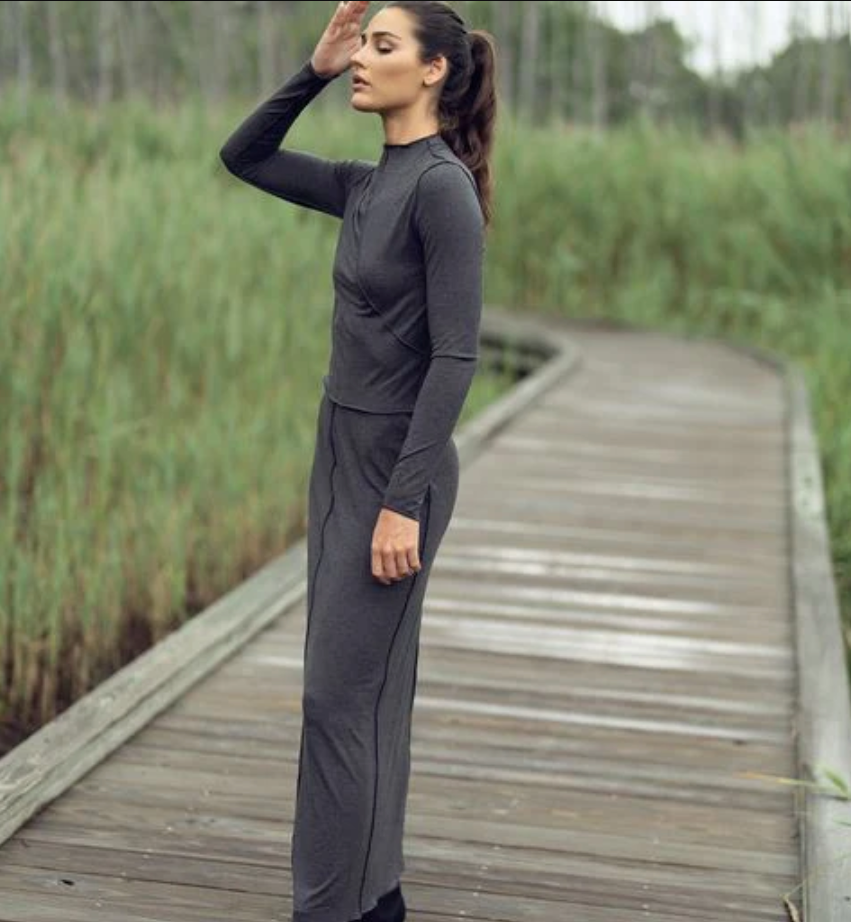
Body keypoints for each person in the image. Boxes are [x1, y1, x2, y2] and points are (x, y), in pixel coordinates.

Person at [219, 2, 497, 920]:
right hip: (338, 454)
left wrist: (402, 502)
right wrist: (315, 67)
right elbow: (244, 156)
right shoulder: (368, 183)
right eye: (362, 45)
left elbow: (456, 357)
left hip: (394, 470)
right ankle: (375, 901)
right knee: (360, 697)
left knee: (338, 700)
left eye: (382, 46)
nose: (363, 61)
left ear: (434, 71)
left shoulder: (441, 190)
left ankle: (330, 906)